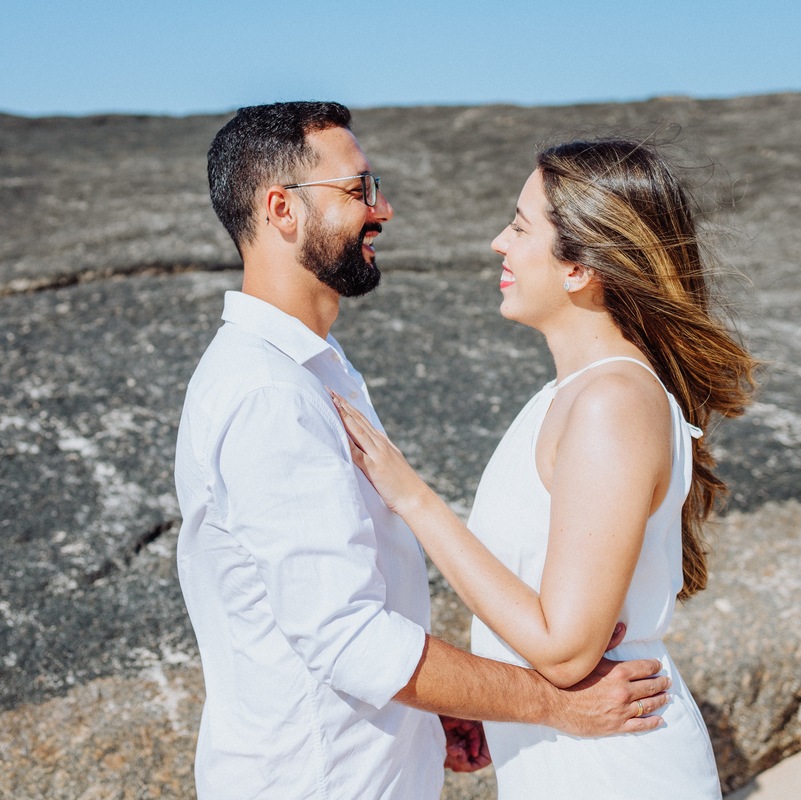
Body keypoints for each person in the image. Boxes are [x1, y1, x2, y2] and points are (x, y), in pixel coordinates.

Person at [174, 104, 673, 799]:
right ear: (282, 210)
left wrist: (440, 713)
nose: (383, 209)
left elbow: (335, 608)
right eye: (359, 190)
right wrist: (550, 703)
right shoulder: (268, 393)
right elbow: (349, 638)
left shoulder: (316, 371)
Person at [333, 138, 757, 798]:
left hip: (613, 771)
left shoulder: (612, 403)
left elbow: (565, 649)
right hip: (570, 756)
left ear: (580, 266)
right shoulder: (570, 395)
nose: (498, 243)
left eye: (520, 227)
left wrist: (414, 500)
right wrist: (488, 696)